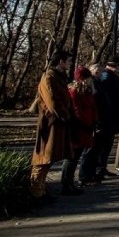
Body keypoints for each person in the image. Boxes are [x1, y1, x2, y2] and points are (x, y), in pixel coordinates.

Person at [30, 51, 73, 201]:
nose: (70, 63)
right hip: (50, 123)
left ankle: (41, 190)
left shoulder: (59, 78)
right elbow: (52, 100)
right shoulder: (49, 77)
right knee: (43, 158)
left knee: (50, 158)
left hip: (58, 122)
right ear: (60, 62)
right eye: (68, 61)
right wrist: (64, 115)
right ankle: (37, 192)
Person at [61, 65, 97, 195]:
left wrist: (94, 120)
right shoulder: (73, 91)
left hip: (87, 126)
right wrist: (84, 123)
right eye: (88, 78)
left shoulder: (88, 91)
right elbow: (76, 109)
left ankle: (70, 182)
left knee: (77, 156)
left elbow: (92, 107)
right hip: (77, 127)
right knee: (72, 156)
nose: (90, 80)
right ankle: (66, 183)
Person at [94, 57, 119, 181]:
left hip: (112, 115)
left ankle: (102, 167)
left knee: (107, 144)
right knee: (102, 145)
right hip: (107, 115)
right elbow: (108, 96)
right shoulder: (106, 77)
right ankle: (99, 168)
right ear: (115, 66)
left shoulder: (111, 76)